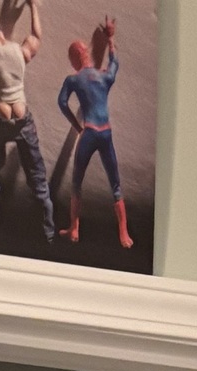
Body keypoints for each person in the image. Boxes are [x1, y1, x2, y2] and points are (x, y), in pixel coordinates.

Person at [0, 1, 55, 248]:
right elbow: (36, 36)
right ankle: (47, 232)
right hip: (22, 118)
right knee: (37, 176)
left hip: (0, 119)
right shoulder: (19, 50)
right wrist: (32, 5)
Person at [57, 15, 132, 251]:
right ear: (87, 54)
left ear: (74, 60)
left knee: (77, 182)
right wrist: (111, 38)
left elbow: (62, 103)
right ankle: (123, 233)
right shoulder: (103, 76)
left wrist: (77, 126)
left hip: (89, 132)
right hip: (105, 133)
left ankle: (74, 228)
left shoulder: (73, 79)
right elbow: (115, 64)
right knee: (115, 184)